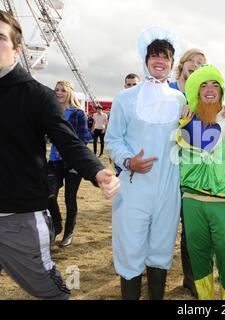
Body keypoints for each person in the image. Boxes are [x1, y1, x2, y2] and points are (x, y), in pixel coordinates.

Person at [0, 10, 119, 300]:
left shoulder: (36, 95)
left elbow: (69, 142)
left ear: (17, 49)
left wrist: (96, 171)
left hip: (18, 219)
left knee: (52, 292)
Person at [105, 26, 186, 300]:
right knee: (130, 248)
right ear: (146, 59)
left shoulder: (180, 100)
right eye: (154, 56)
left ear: (172, 63)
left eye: (165, 57)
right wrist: (128, 161)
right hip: (133, 187)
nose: (159, 61)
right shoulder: (125, 98)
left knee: (161, 249)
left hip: (168, 188)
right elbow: (113, 140)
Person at [177, 64, 225, 300]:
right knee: (198, 258)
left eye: (214, 85)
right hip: (192, 202)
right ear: (196, 93)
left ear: (221, 91)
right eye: (203, 86)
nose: (209, 89)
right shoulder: (185, 124)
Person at [168, 48, 207, 298]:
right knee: (160, 224)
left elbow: (204, 139)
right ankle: (148, 271)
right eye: (191, 61)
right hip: (163, 169)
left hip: (189, 172)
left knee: (191, 228)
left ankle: (191, 278)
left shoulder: (201, 98)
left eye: (201, 63)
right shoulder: (167, 90)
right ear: (181, 65)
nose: (195, 65)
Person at [47, 80, 91, 248]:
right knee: (48, 195)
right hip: (54, 162)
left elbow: (84, 138)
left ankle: (68, 233)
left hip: (72, 162)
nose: (58, 93)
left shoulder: (78, 113)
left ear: (70, 93)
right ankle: (56, 225)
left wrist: (67, 151)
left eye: (62, 90)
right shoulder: (52, 111)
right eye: (56, 90)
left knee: (70, 199)